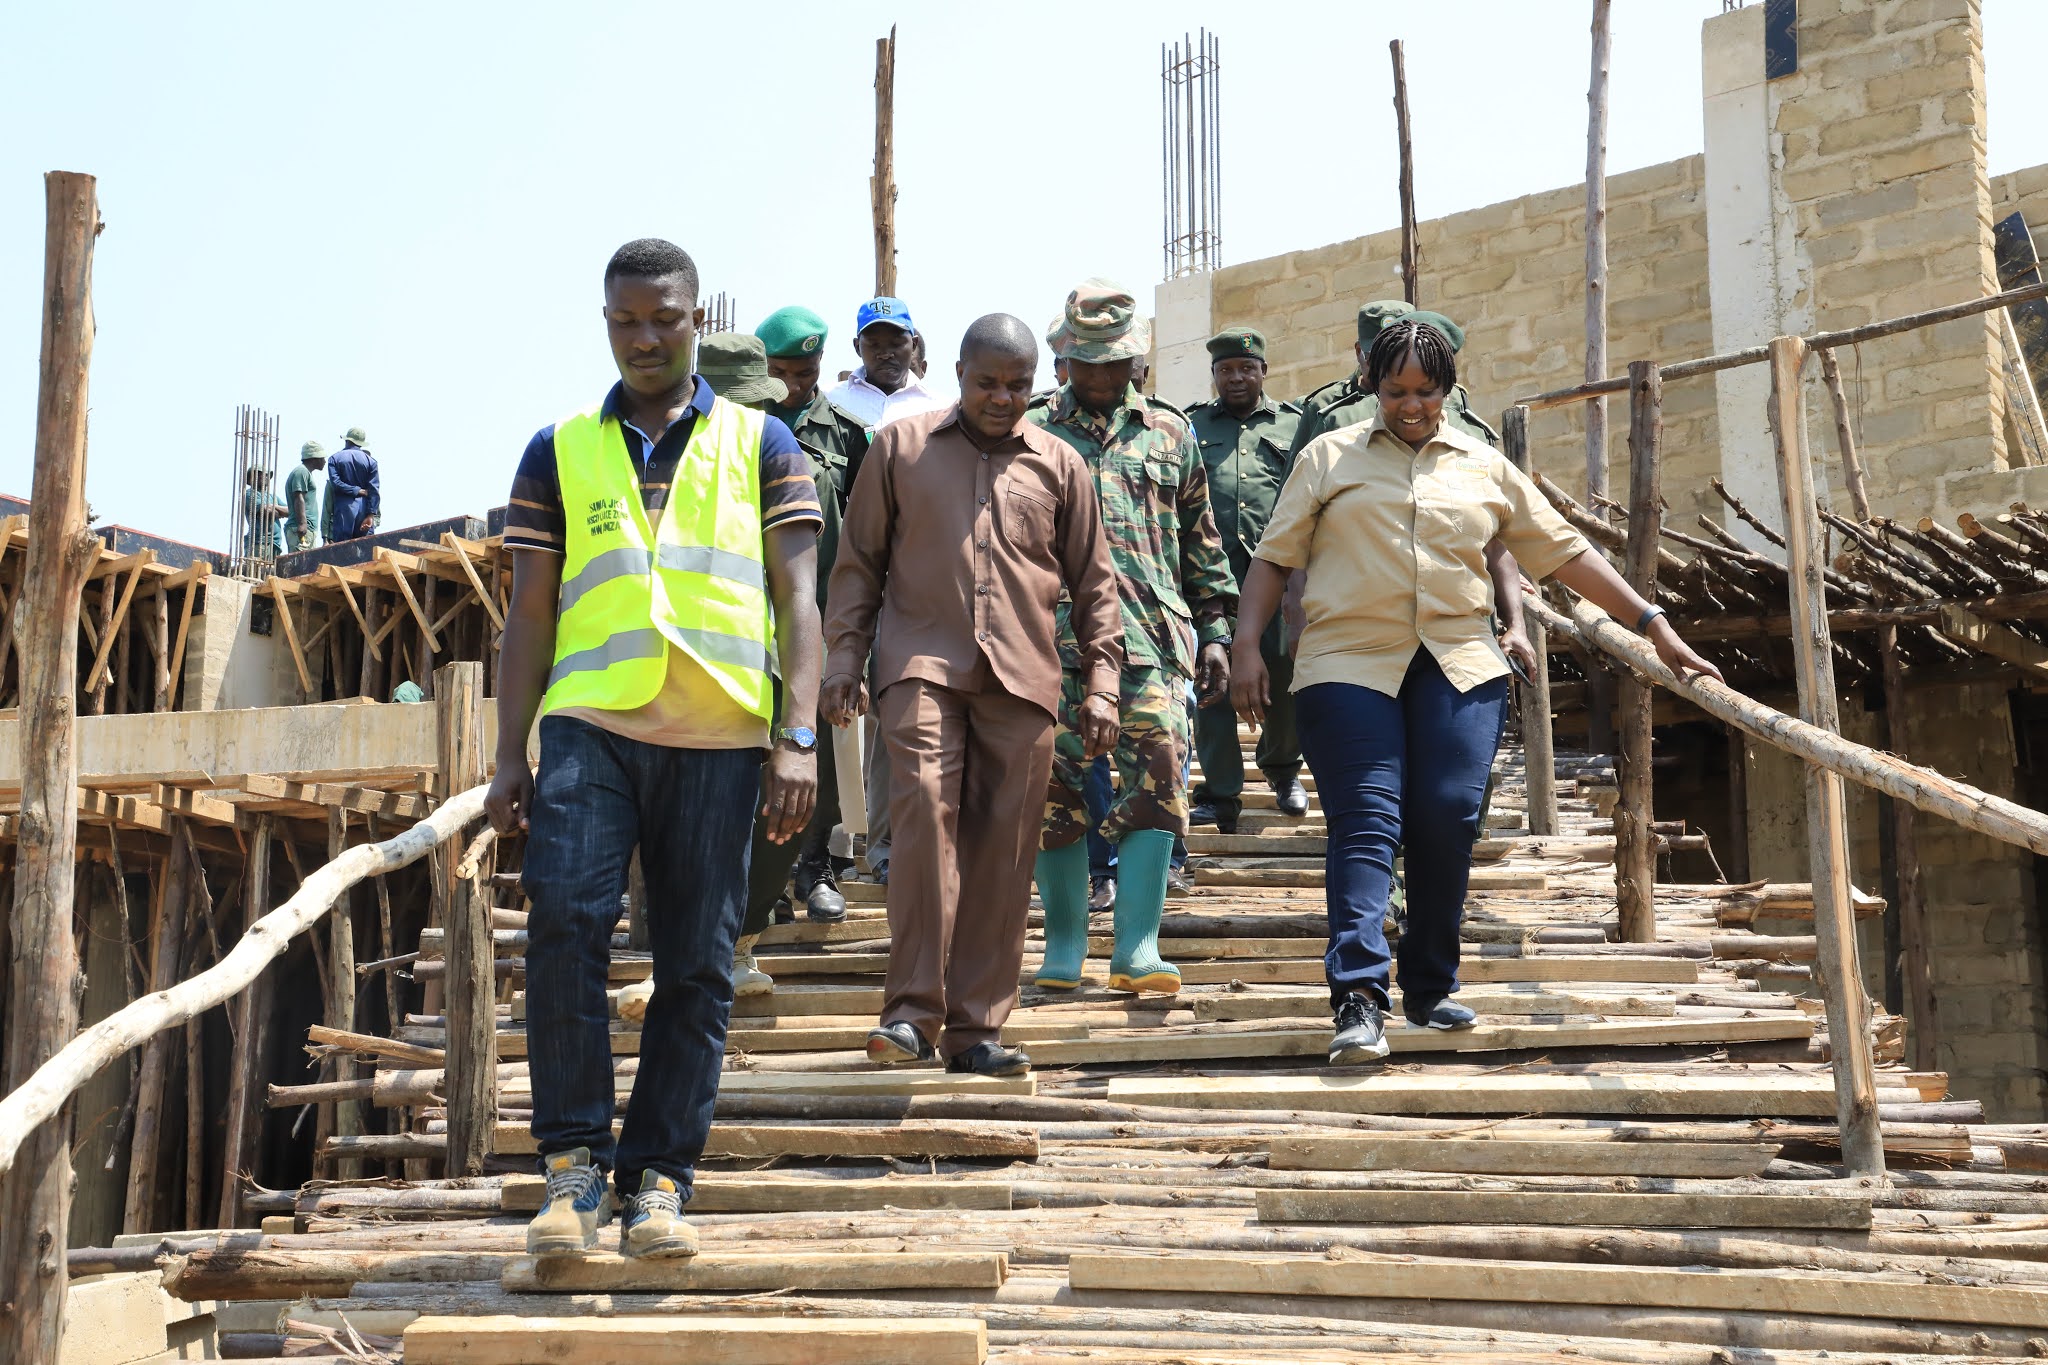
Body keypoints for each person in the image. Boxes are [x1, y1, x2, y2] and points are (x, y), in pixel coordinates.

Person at [1229, 319, 1723, 1068]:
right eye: (1395, 390)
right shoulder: (1328, 457)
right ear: (1372, 386)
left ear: (1448, 389)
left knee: (1447, 815)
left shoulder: (1484, 465)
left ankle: (1430, 984)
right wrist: (1247, 648)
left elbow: (1564, 551)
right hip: (1346, 659)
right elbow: (1273, 560)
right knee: (1367, 819)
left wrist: (1653, 625)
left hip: (1458, 660)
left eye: (1426, 391)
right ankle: (1359, 996)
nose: (1411, 405)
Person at [485, 238, 822, 1261]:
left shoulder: (765, 443)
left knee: (697, 965)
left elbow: (798, 599)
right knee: (565, 923)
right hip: (591, 724)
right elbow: (529, 615)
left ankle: (661, 1181)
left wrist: (798, 737)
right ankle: (573, 1168)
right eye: (626, 321)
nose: (645, 338)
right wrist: (509, 754)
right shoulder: (557, 450)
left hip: (719, 732)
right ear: (605, 324)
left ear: (695, 319)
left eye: (664, 319)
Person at [824, 314, 1121, 1075]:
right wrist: (844, 659)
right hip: (921, 663)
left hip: (1023, 679)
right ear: (957, 373)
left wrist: (1104, 682)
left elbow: (1095, 585)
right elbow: (858, 564)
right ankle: (910, 1014)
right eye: (987, 382)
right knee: (923, 808)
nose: (1002, 397)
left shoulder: (1061, 465)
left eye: (1018, 385)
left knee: (1004, 850)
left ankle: (976, 1028)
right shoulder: (900, 448)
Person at [1027, 281, 1234, 996]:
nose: (1101, 374)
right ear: (1065, 358)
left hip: (1151, 640)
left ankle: (1137, 948)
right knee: (1051, 792)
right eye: (1087, 360)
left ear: (1136, 359)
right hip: (1049, 643)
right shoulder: (1031, 431)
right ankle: (1064, 943)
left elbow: (1201, 542)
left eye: (1114, 360)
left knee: (1161, 781)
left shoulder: (1172, 432)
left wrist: (1215, 632)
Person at [761, 305, 873, 922]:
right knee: (757, 744)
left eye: (805, 373)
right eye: (780, 373)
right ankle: (766, 881)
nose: (793, 386)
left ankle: (815, 866)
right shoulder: (740, 424)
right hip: (749, 613)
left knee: (820, 742)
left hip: (821, 614)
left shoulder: (848, 435)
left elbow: (870, 536)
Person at [1184, 328, 1305, 835]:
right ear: (1214, 375)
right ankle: (1220, 792)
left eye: (1246, 369)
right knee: (1211, 682)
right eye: (1225, 370)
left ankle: (1282, 768)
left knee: (1283, 675)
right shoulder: (1190, 425)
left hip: (1276, 574)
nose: (1236, 378)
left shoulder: (1294, 424)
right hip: (1207, 577)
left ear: (1263, 372)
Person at [825, 297, 951, 433]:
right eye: (874, 344)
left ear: (913, 345)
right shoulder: (828, 401)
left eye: (896, 343)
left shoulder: (941, 410)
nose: (885, 354)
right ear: (857, 347)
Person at [326, 428, 381, 541]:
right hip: (364, 508)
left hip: (344, 508)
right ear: (361, 444)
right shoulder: (371, 461)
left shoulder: (334, 459)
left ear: (347, 441)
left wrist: (355, 490)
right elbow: (374, 490)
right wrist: (370, 515)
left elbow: (336, 483)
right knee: (365, 546)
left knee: (342, 546)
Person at [285, 442, 325, 552]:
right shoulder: (302, 472)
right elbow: (299, 497)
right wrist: (302, 524)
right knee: (301, 562)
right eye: (322, 458)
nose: (324, 461)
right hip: (301, 531)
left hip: (308, 529)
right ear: (314, 458)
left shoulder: (305, 472)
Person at [241, 469, 286, 560]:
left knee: (272, 568)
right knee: (258, 567)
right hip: (259, 543)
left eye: (265, 475)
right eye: (258, 475)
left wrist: (272, 507)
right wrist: (279, 512)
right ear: (250, 479)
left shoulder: (272, 497)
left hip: (275, 543)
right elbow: (266, 510)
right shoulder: (250, 494)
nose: (262, 477)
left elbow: (290, 511)